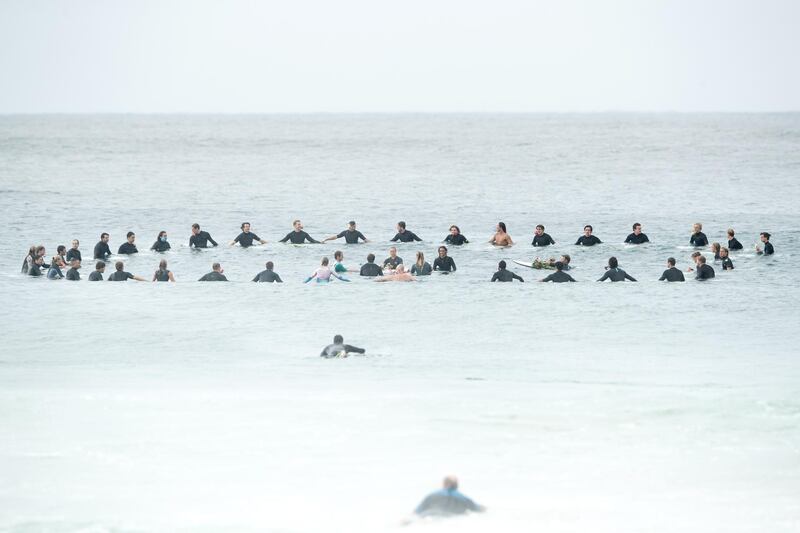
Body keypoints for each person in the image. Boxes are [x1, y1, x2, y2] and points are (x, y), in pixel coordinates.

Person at [414, 476, 484, 517]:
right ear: (457, 485)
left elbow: (417, 512)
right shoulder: (463, 498)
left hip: (431, 517)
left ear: (444, 484)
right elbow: (477, 509)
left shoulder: (432, 495)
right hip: (451, 519)